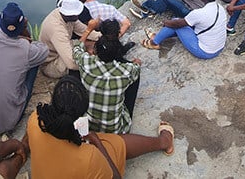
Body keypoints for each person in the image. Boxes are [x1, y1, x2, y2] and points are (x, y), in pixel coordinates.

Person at [25, 75, 174, 179]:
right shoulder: (89, 158)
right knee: (115, 143)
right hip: (88, 161)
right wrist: (97, 143)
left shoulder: (35, 120)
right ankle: (164, 142)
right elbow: (115, 177)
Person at [0, 2, 49, 135]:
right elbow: (44, 50)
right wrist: (24, 30)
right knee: (33, 63)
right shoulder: (26, 49)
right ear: (22, 23)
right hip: (11, 118)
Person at [73, 19, 141, 134]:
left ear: (95, 51)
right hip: (114, 129)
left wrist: (88, 29)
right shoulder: (127, 71)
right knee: (136, 77)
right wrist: (136, 63)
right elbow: (137, 67)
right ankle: (128, 113)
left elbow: (76, 49)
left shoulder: (86, 62)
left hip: (89, 124)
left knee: (75, 74)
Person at [140, 0, 227, 60]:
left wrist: (166, 22)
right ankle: (159, 37)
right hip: (219, 47)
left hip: (205, 51)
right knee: (181, 23)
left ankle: (154, 42)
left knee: (175, 21)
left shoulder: (199, 13)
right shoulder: (220, 8)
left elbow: (178, 24)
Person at [40, 0, 101, 78]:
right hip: (51, 63)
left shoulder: (68, 17)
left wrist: (104, 37)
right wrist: (97, 64)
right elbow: (71, 63)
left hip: (61, 50)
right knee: (81, 60)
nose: (78, 16)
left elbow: (84, 30)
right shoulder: (56, 29)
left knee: (91, 44)